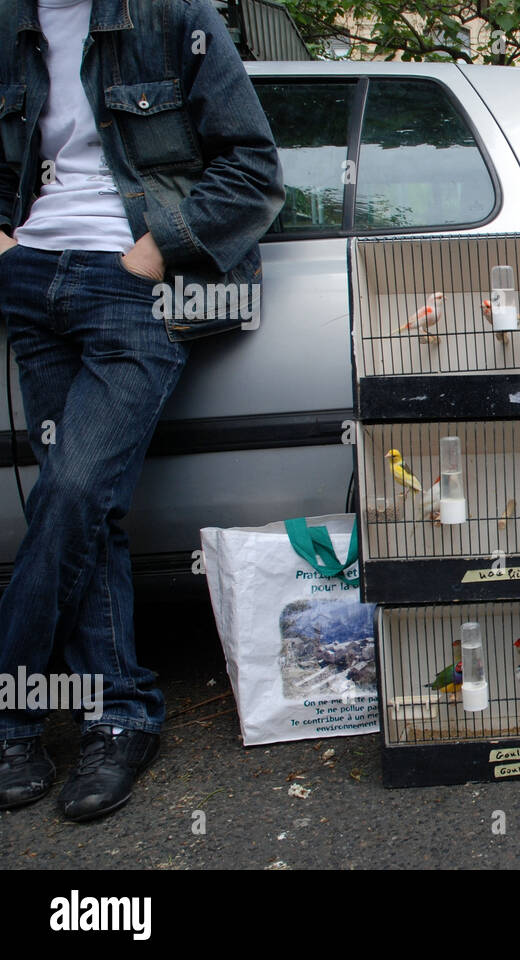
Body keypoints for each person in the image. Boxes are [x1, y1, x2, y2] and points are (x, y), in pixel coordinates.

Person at [0, 0, 284, 820]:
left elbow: (253, 165)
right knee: (95, 510)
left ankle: (14, 713)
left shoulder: (172, 13)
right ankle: (118, 713)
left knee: (71, 492)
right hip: (32, 283)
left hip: (132, 285)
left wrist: (155, 254)